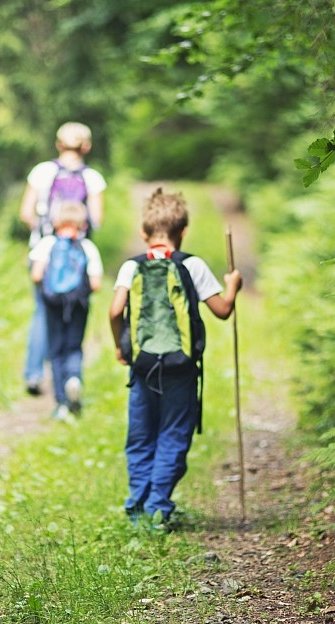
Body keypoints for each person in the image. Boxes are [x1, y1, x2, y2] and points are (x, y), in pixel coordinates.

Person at [108, 188, 241, 528]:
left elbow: (115, 310)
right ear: (184, 231)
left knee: (140, 437)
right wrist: (232, 286)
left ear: (143, 233)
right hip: (181, 368)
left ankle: (138, 509)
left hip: (142, 366)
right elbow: (222, 311)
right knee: (173, 435)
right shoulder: (192, 265)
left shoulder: (131, 267)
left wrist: (121, 345)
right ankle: (158, 508)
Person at [19, 122, 106, 396]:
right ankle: (72, 371)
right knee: (76, 313)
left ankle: (34, 375)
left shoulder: (43, 171)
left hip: (44, 252)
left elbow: (25, 212)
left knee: (42, 312)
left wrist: (44, 234)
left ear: (58, 144)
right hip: (79, 258)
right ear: (87, 147)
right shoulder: (93, 178)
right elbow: (97, 220)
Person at [29, 201, 103, 421]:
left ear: (56, 221)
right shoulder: (87, 247)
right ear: (82, 225)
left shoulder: (47, 243)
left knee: (56, 350)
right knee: (74, 347)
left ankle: (61, 402)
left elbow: (36, 275)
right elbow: (96, 284)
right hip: (79, 306)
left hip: (53, 306)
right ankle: (74, 379)